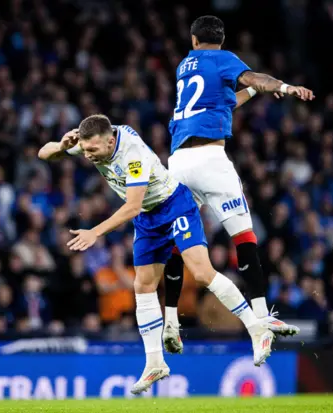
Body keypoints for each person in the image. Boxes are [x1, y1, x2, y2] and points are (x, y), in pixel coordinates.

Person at [38, 115, 275, 395]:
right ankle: (154, 363)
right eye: (85, 150)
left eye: (93, 151)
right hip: (149, 220)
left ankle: (257, 329)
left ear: (111, 141)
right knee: (143, 285)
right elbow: (44, 154)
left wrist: (95, 232)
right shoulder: (94, 139)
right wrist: (61, 145)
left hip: (173, 206)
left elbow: (132, 207)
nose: (88, 156)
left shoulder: (132, 155)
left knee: (200, 273)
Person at [162, 15, 315, 354]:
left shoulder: (185, 67)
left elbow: (227, 100)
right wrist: (282, 86)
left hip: (177, 163)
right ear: (222, 39)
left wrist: (253, 91)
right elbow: (253, 77)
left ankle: (170, 319)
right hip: (210, 160)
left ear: (193, 40)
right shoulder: (224, 59)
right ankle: (262, 318)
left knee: (176, 242)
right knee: (244, 237)